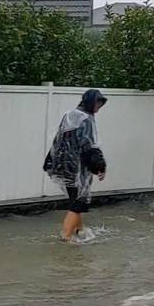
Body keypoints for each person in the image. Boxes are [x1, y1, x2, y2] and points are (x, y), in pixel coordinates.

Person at [44, 89, 107, 241]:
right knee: (78, 203)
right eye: (98, 103)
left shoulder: (70, 115)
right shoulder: (86, 119)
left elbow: (58, 140)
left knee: (75, 199)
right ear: (91, 101)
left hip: (63, 165)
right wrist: (100, 166)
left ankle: (79, 230)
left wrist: (52, 162)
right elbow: (89, 146)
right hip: (78, 167)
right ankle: (65, 238)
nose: (99, 107)